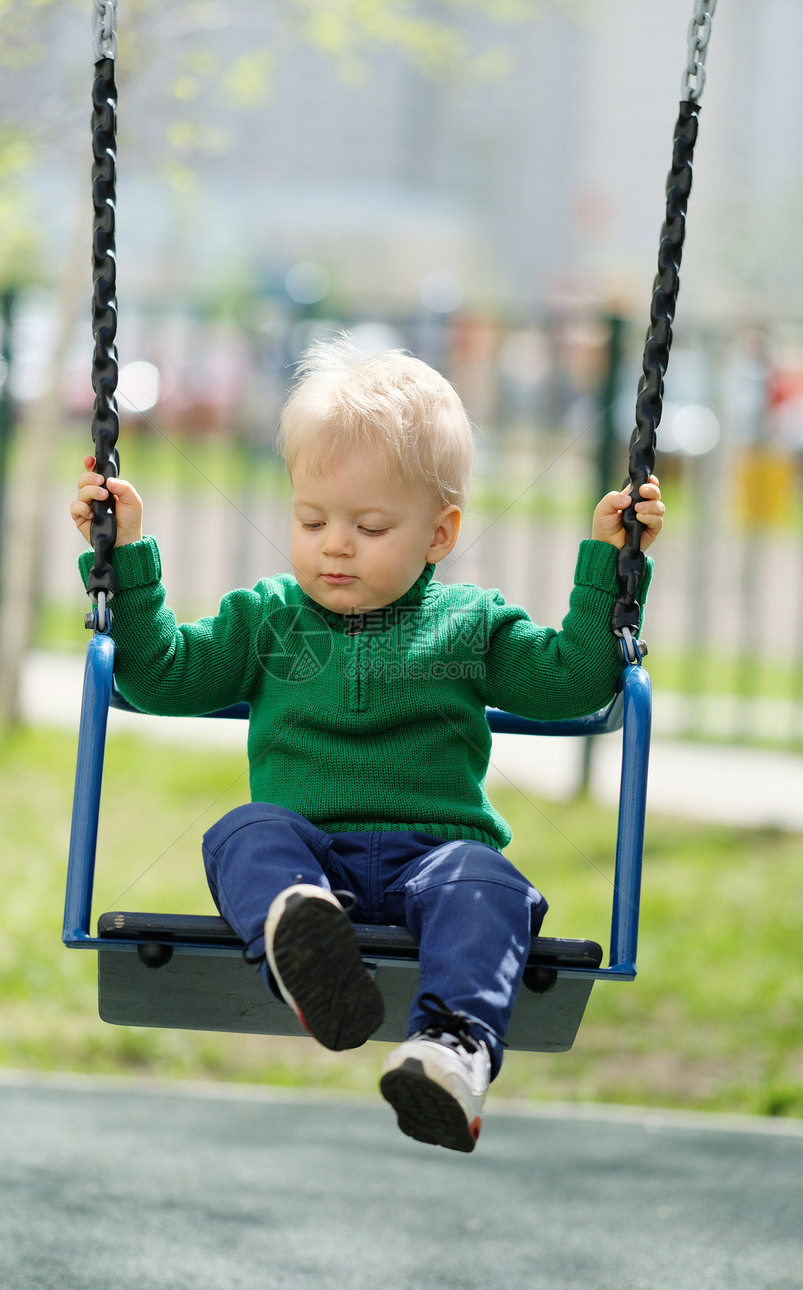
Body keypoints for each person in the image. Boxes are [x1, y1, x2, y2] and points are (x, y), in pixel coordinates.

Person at [72, 336, 664, 1153]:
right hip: (313, 855)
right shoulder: (265, 619)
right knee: (245, 833)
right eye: (311, 519)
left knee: (490, 884)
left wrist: (611, 565)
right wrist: (125, 557)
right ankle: (302, 932)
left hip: (439, 855)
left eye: (369, 524)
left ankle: (448, 1052)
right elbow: (161, 677)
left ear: (439, 534)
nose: (334, 543)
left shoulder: (471, 626)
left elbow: (573, 682)